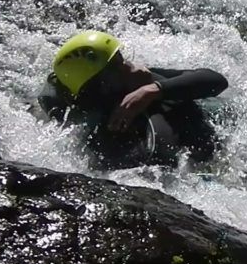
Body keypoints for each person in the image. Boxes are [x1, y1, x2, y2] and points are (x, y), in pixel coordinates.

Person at [38, 30, 228, 169]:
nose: (135, 67)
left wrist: (152, 90)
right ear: (105, 87)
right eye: (120, 66)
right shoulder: (113, 132)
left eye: (124, 59)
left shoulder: (142, 85)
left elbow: (216, 81)